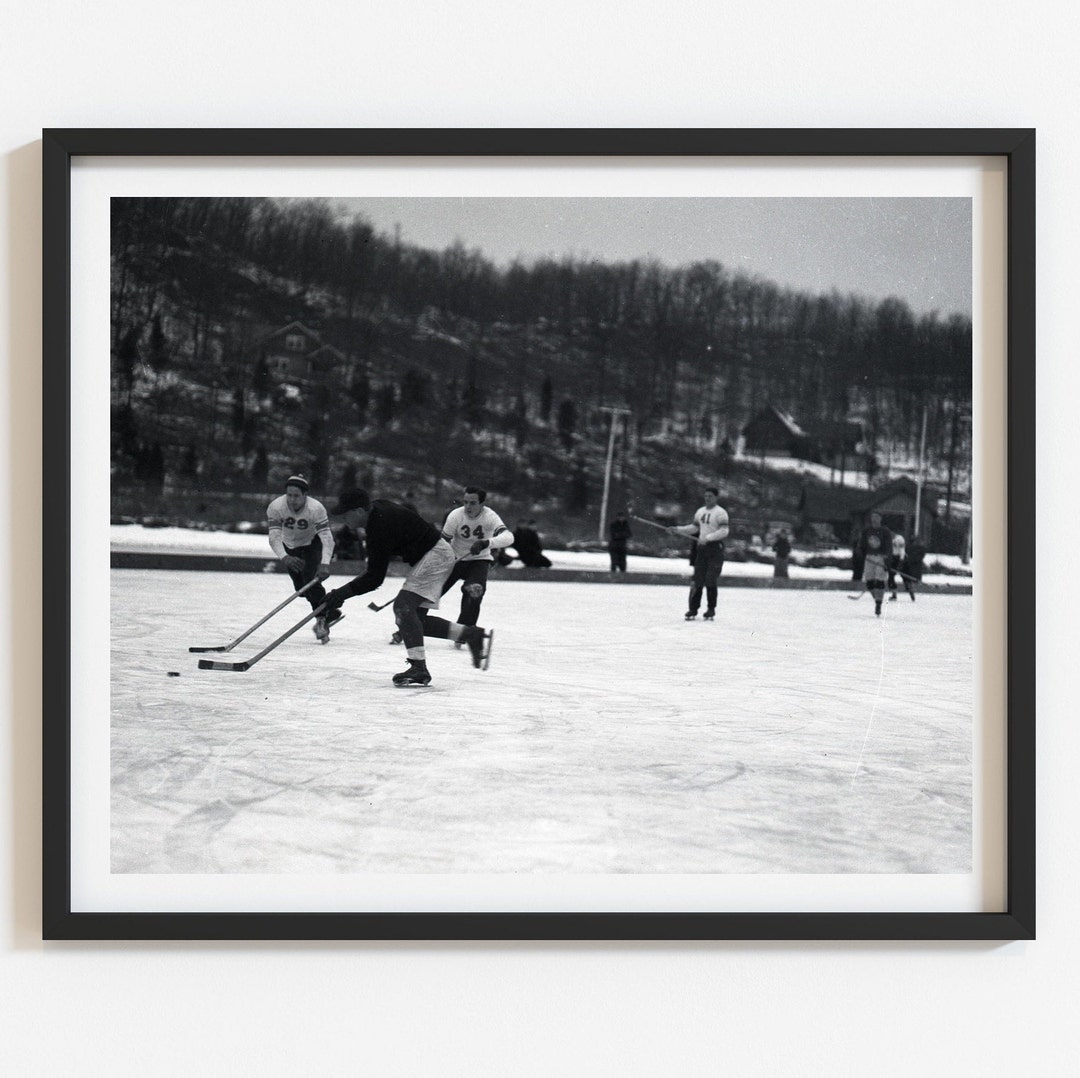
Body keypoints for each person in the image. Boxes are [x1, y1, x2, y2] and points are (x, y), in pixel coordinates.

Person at [321, 489, 493, 687]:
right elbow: (374, 572)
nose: (343, 519)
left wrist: (340, 595)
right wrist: (341, 594)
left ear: (359, 511)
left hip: (434, 555)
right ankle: (470, 634)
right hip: (433, 554)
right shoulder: (377, 511)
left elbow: (374, 578)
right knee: (416, 621)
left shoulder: (379, 527)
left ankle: (418, 667)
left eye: (345, 514)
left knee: (403, 608)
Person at [266, 474, 342, 643]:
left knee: (310, 580)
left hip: (311, 544)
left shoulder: (316, 508)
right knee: (301, 589)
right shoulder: (276, 507)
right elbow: (274, 537)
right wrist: (284, 557)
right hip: (289, 546)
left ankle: (321, 620)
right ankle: (328, 610)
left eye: (296, 496)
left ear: (305, 495)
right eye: (289, 495)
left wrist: (325, 564)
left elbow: (327, 538)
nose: (292, 500)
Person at [439, 486, 515, 624]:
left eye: (473, 503)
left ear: (482, 504)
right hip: (455, 558)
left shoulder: (490, 516)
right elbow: (443, 542)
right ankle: (411, 624)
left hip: (479, 561)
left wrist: (486, 543)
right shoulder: (455, 515)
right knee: (430, 591)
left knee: (475, 590)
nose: (468, 507)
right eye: (465, 502)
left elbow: (509, 537)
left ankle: (465, 629)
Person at [668, 486, 729, 620]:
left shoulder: (721, 513)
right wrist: (678, 529)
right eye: (706, 496)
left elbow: (724, 531)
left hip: (715, 549)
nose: (707, 499)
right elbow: (694, 528)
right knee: (698, 579)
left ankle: (711, 609)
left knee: (710, 579)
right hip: (702, 549)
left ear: (716, 497)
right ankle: (693, 609)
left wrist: (708, 538)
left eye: (710, 496)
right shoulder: (700, 511)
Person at [857, 510, 894, 616]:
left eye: (877, 517)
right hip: (869, 557)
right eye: (873, 517)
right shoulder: (867, 530)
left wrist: (887, 560)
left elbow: (889, 547)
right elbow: (862, 543)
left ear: (880, 519)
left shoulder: (885, 531)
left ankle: (878, 604)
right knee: (869, 581)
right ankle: (877, 599)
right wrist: (859, 551)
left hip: (881, 557)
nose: (874, 519)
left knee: (879, 582)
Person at [888, 531, 916, 601]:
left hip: (901, 559)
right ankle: (894, 594)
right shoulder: (887, 539)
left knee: (906, 577)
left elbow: (902, 551)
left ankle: (911, 593)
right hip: (893, 558)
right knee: (891, 577)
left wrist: (901, 562)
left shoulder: (899, 539)